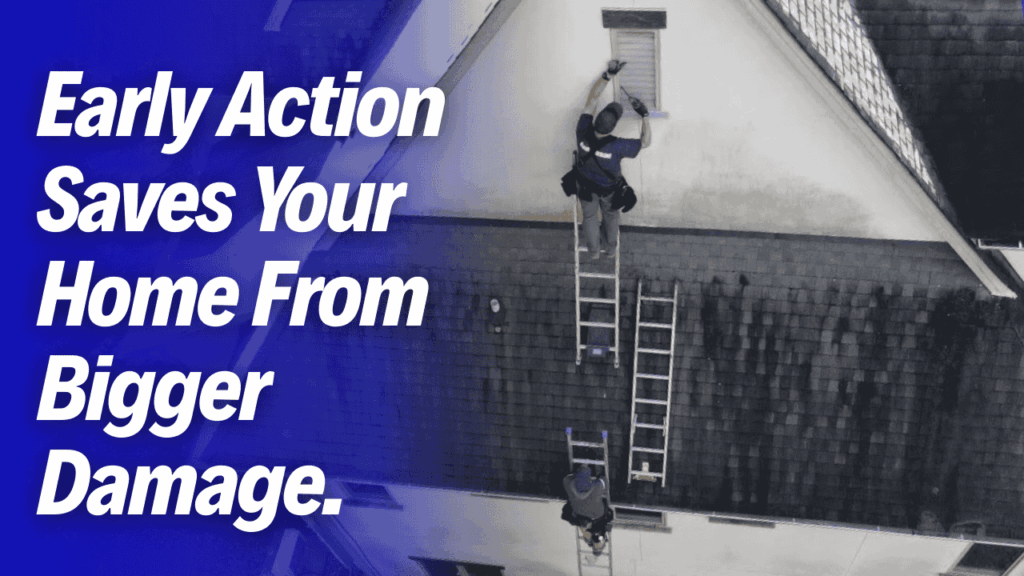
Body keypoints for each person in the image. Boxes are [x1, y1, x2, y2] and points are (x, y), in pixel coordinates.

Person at [574, 60, 652, 259]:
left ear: (596, 119)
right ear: (613, 127)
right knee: (610, 218)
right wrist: (644, 115)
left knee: (590, 217)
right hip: (608, 191)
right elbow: (645, 142)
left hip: (584, 186)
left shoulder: (582, 130)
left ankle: (593, 252)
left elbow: (592, 99)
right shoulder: (617, 146)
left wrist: (608, 74)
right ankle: (610, 250)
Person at [561, 466, 614, 553]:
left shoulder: (586, 524)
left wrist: (584, 528)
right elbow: (610, 516)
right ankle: (587, 466)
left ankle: (587, 466)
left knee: (599, 483)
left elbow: (567, 515)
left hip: (588, 508)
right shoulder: (603, 526)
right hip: (592, 509)